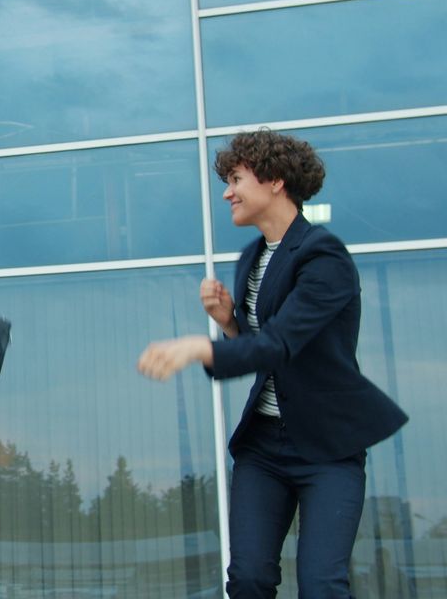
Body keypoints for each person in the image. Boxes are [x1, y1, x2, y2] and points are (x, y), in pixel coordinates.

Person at [136, 129, 406, 598]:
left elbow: (281, 343)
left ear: (276, 181)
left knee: (322, 586)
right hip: (263, 447)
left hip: (327, 449)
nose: (228, 192)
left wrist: (200, 348)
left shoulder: (324, 257)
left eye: (236, 179)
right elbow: (263, 351)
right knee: (248, 579)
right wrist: (229, 323)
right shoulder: (253, 257)